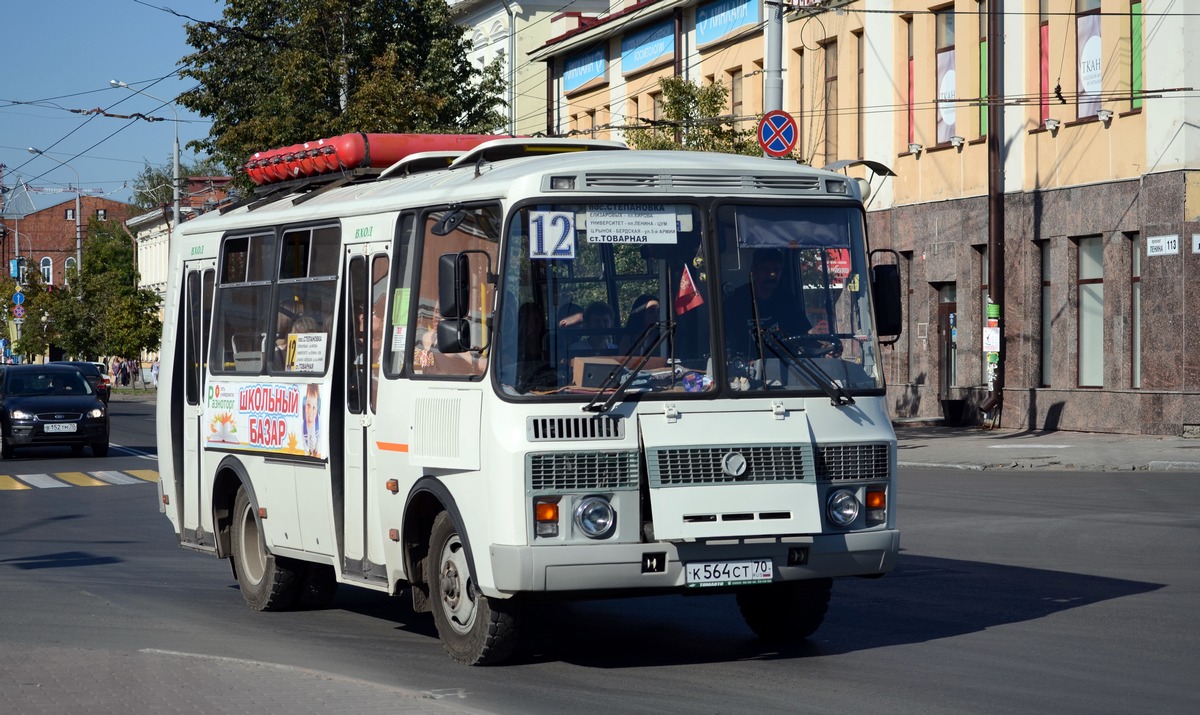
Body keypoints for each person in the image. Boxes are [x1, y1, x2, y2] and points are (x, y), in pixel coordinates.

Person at [725, 248, 813, 355]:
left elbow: (804, 338)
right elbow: (726, 345)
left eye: (776, 270)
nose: (772, 275)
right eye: (766, 270)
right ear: (754, 271)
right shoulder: (736, 302)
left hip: (787, 367)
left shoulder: (787, 301)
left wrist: (823, 348)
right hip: (748, 369)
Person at [301, 382, 321, 458]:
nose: (310, 413)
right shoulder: (302, 426)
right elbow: (304, 446)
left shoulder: (319, 424)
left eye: (314, 408)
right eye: (308, 405)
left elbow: (319, 439)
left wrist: (317, 449)